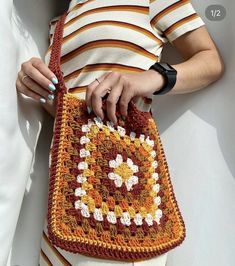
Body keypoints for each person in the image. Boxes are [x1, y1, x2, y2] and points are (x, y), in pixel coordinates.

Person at [16, 0, 224, 265]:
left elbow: (211, 60)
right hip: (66, 201)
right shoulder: (59, 24)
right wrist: (38, 89)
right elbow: (69, 114)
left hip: (125, 203)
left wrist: (149, 79)